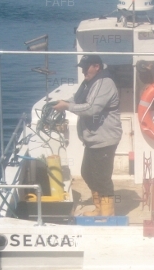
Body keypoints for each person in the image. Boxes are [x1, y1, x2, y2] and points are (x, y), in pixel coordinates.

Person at [52, 55, 122, 216]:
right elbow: (76, 99)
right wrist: (63, 102)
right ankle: (99, 208)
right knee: (87, 173)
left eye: (86, 68)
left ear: (96, 66)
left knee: (102, 178)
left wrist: (66, 106)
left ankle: (107, 214)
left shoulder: (105, 83)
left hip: (105, 139)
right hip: (92, 139)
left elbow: (91, 109)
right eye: (82, 68)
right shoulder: (89, 82)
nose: (83, 71)